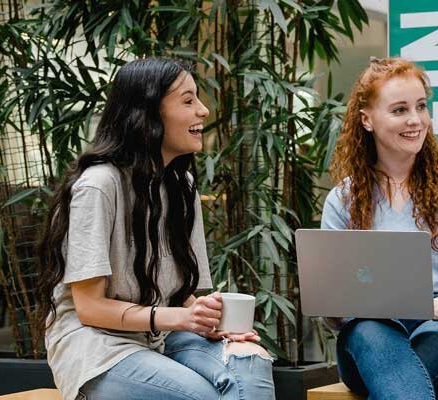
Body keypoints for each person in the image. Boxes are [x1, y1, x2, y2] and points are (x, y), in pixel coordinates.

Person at [37, 58, 274, 400]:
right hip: (99, 348)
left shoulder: (182, 185)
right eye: (188, 100)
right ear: (148, 113)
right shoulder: (99, 186)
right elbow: (89, 308)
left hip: (161, 336)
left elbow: (180, 295)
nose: (204, 111)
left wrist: (214, 322)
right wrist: (182, 318)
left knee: (251, 363)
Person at [321, 57, 438, 399]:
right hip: (371, 333)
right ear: (367, 120)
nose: (415, 120)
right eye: (400, 110)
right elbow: (336, 312)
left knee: (404, 374)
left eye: (421, 106)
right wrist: (335, 305)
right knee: (369, 330)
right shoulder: (342, 200)